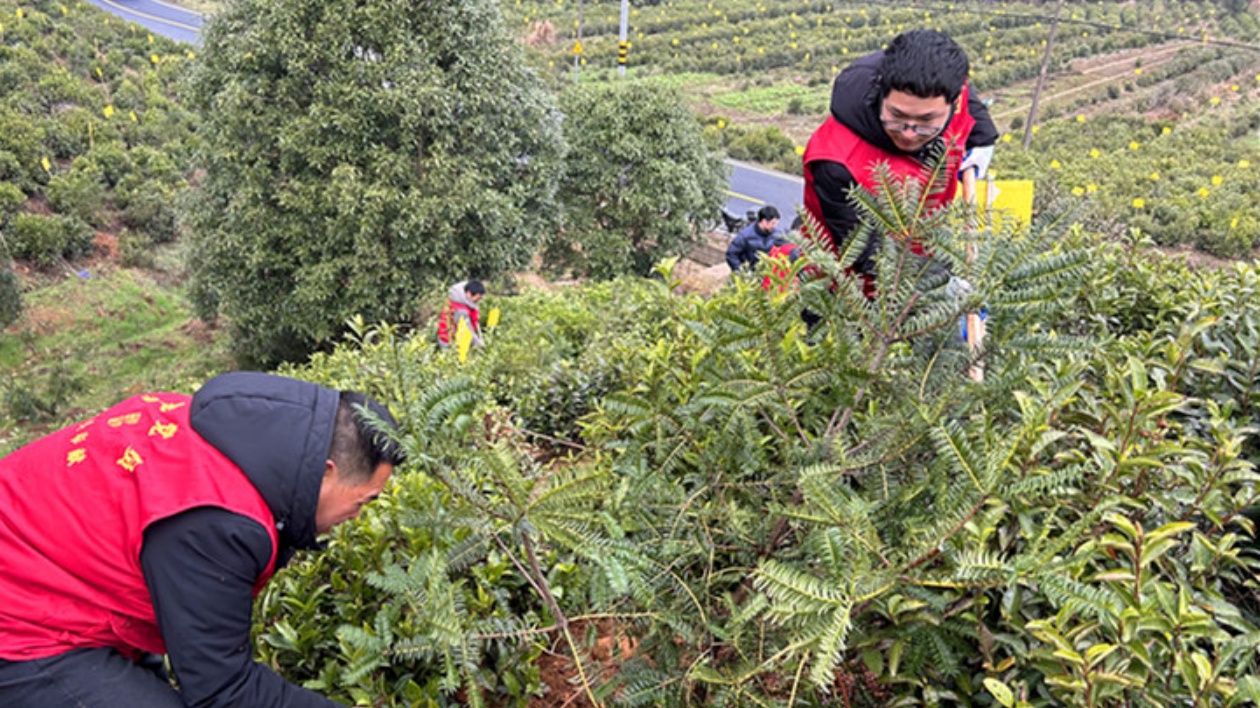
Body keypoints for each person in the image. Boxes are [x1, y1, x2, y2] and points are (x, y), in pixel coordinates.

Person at [0, 371, 406, 707]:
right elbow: (225, 691)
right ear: (327, 471)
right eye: (362, 501)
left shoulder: (230, 434)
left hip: (64, 577)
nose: (356, 516)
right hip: (22, 618)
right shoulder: (218, 520)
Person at [802, 29, 999, 296]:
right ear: (881, 93)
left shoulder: (944, 90)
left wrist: (984, 137)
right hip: (853, 294)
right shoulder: (836, 161)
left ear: (953, 104)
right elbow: (869, 252)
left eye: (926, 121)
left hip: (924, 252)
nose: (908, 133)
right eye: (896, 116)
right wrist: (942, 281)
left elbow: (966, 93)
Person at [725, 205, 794, 274]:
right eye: (773, 223)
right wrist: (742, 272)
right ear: (764, 221)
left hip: (764, 273)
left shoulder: (776, 234)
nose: (774, 226)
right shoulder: (746, 236)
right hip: (748, 273)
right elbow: (731, 254)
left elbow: (788, 244)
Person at [437, 279, 486, 348]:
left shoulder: (465, 291)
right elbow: (467, 331)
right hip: (449, 341)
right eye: (478, 298)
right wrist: (480, 345)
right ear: (469, 293)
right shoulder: (460, 311)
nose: (479, 300)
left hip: (459, 337)